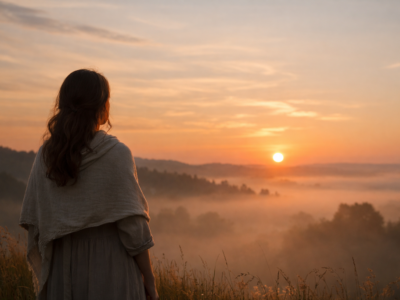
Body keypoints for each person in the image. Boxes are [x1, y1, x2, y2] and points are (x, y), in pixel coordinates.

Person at [19, 69, 159, 300]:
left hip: (61, 272)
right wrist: (150, 281)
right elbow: (133, 227)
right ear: (101, 106)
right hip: (111, 271)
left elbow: (36, 223)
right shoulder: (116, 154)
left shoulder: (46, 155)